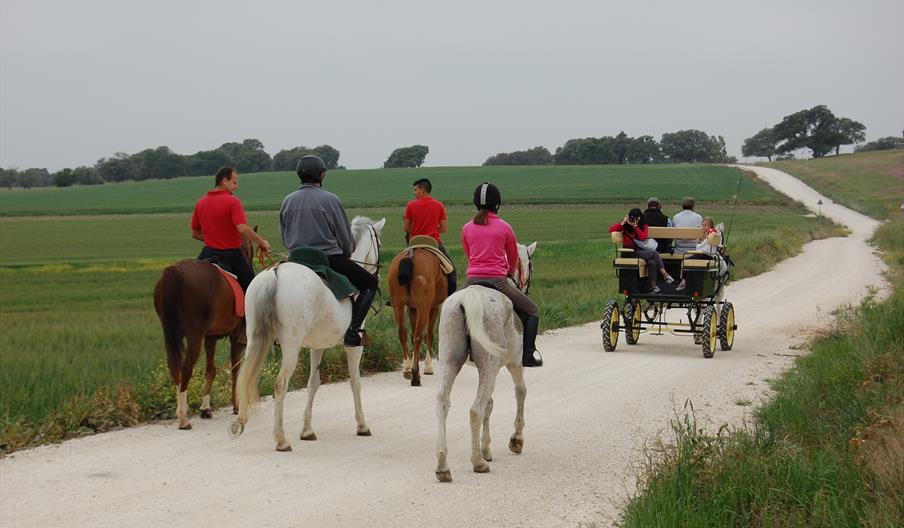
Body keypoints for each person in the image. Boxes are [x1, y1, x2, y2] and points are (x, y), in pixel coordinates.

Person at [279, 155, 378, 347]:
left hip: (296, 259)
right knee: (370, 283)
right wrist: (348, 251)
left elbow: (284, 235)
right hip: (329, 258)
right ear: (322, 175)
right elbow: (344, 235)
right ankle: (353, 331)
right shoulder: (330, 200)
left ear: (299, 175)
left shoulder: (287, 200)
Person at [461, 182, 542, 367]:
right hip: (498, 282)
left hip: (471, 281)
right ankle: (528, 355)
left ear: (476, 203)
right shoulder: (505, 227)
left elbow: (469, 254)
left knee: (450, 307)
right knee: (532, 311)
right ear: (497, 203)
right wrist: (505, 271)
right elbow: (513, 260)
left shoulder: (466, 228)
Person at [191, 166, 271, 291]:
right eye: (234, 182)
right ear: (224, 181)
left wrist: (214, 238)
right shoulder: (233, 201)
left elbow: (195, 233)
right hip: (231, 254)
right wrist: (262, 243)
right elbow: (242, 228)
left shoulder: (200, 202)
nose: (236, 186)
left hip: (207, 252)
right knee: (253, 289)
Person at [403, 178, 457, 295]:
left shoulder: (411, 205)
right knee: (452, 269)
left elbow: (406, 228)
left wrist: (417, 231)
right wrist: (431, 230)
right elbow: (443, 228)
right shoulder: (439, 205)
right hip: (434, 243)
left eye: (416, 190)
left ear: (423, 190)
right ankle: (451, 296)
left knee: (399, 267)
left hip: (415, 243)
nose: (414, 193)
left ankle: (394, 298)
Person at [609, 208, 675, 294]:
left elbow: (643, 237)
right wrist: (623, 223)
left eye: (636, 218)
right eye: (632, 218)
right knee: (653, 253)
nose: (634, 220)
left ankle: (653, 287)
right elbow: (611, 230)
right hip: (629, 252)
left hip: (639, 251)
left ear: (640, 218)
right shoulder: (625, 226)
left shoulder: (643, 225)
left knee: (652, 262)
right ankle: (665, 275)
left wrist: (635, 227)